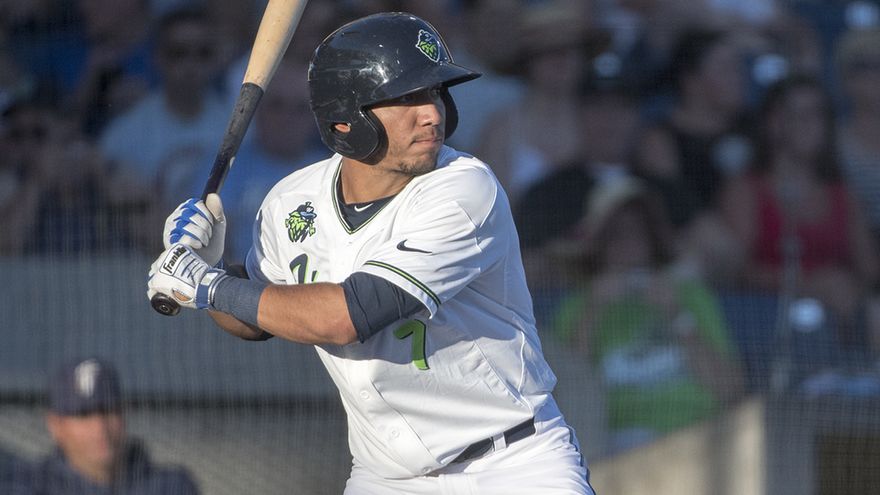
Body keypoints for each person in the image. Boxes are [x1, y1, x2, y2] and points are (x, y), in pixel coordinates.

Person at [147, 12, 594, 494]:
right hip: (386, 476)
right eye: (407, 99)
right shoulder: (291, 201)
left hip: (511, 463)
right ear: (345, 118)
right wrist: (210, 270)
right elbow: (255, 318)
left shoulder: (464, 189)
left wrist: (208, 286)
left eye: (435, 93)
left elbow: (348, 316)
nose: (432, 114)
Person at [547, 176, 744, 454]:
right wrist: (592, 312)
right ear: (599, 246)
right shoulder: (577, 307)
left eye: (640, 232)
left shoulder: (691, 296)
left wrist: (677, 316)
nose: (630, 244)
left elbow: (731, 390)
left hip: (698, 438)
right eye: (617, 234)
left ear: (653, 240)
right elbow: (568, 401)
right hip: (616, 447)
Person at [30, 357, 200, 494]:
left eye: (108, 411)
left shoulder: (170, 487)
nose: (99, 428)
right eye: (83, 415)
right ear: (55, 425)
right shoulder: (31, 486)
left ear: (124, 414)